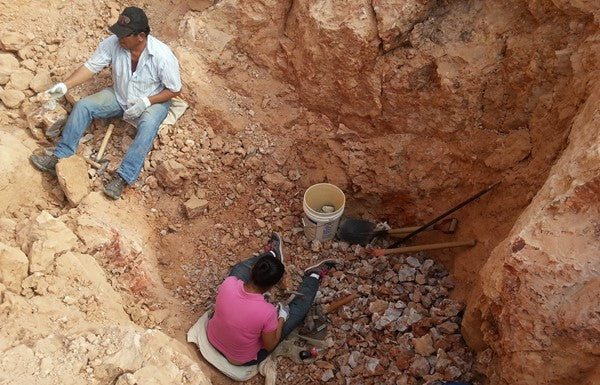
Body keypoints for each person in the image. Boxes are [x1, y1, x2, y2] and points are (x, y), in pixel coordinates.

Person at [29, 6, 182, 200]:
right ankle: (60, 156)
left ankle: (123, 177)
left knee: (148, 126)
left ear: (141, 36)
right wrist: (65, 86)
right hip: (121, 95)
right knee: (83, 106)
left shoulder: (162, 56)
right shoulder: (114, 44)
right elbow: (90, 67)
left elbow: (175, 90)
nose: (119, 38)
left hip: (153, 101)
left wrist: (146, 101)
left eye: (125, 35)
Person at [207, 232, 336, 366]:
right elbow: (270, 345)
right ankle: (314, 276)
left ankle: (272, 254)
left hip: (212, 338)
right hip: (239, 359)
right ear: (273, 285)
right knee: (297, 311)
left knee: (238, 269)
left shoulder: (229, 283)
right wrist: (281, 318)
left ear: (252, 269)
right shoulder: (267, 312)